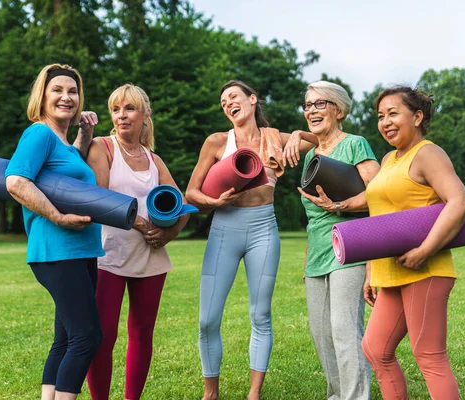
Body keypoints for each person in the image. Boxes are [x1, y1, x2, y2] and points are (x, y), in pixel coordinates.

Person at [185, 80, 317, 400]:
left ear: (252, 99)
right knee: (207, 319)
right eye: (223, 101)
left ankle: (254, 393)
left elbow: (319, 142)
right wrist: (213, 203)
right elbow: (191, 191)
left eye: (234, 96)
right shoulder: (217, 142)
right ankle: (210, 393)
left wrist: (299, 134)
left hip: (263, 229)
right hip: (224, 228)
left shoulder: (276, 139)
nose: (228, 103)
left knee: (260, 315)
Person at [362, 86, 465, 400]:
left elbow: (460, 201)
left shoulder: (428, 153)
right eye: (381, 116)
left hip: (426, 269)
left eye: (393, 113)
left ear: (418, 116)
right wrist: (372, 270)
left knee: (429, 355)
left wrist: (426, 250)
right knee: (375, 348)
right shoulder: (387, 159)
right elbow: (378, 215)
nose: (385, 122)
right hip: (392, 272)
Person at [5, 64, 104, 400]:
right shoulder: (39, 133)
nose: (67, 97)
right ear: (42, 96)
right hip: (58, 249)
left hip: (79, 250)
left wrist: (85, 136)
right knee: (87, 337)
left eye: (73, 91)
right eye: (58, 90)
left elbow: (67, 168)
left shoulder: (60, 140)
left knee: (65, 339)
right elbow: (16, 180)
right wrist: (58, 217)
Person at [85, 83, 189, 400]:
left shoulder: (154, 160)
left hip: (151, 258)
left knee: (142, 333)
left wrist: (169, 233)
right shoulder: (101, 148)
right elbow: (99, 199)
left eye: (129, 108)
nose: (121, 115)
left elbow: (182, 204)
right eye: (116, 109)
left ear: (144, 115)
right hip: (109, 255)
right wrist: (142, 221)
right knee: (103, 336)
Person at [286, 81, 379, 400]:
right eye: (307, 105)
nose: (311, 110)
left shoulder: (355, 144)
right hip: (317, 256)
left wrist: (341, 206)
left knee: (343, 329)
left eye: (319, 104)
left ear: (338, 110)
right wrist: (308, 259)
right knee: (322, 334)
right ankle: (337, 395)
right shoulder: (311, 154)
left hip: (351, 247)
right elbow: (315, 218)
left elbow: (381, 195)